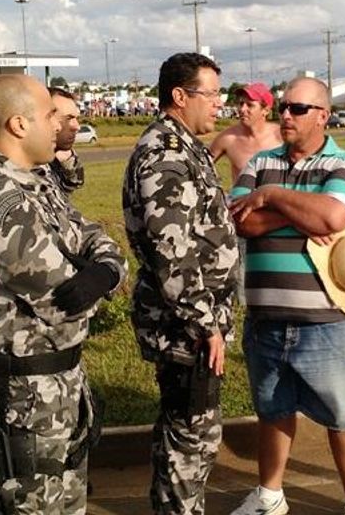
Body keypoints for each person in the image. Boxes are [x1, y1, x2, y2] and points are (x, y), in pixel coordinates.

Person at [0, 73, 127, 515]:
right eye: (49, 115)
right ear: (19, 125)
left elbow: (96, 238)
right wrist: (100, 275)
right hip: (23, 399)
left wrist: (105, 270)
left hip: (61, 387)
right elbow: (66, 301)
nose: (59, 124)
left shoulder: (38, 183)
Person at [228, 76, 345, 515]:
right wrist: (303, 211)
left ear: (323, 116)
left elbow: (333, 216)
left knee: (343, 417)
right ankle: (270, 496)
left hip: (326, 323)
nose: (285, 115)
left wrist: (271, 196)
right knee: (273, 411)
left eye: (297, 108)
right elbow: (239, 222)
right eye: (283, 107)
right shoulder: (259, 162)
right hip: (266, 320)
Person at [122, 52, 240, 515]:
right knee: (191, 440)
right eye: (211, 94)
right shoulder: (166, 155)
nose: (219, 104)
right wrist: (205, 325)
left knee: (187, 434)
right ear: (180, 95)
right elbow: (171, 253)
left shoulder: (185, 146)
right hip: (184, 327)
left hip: (191, 321)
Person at [209, 82, 282, 183]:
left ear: (265, 110)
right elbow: (200, 167)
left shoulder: (281, 135)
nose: (242, 109)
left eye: (250, 105)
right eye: (241, 104)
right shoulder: (228, 138)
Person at [48, 87, 85, 197]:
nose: (77, 127)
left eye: (76, 119)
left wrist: (66, 159)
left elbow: (75, 182)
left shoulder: (60, 154)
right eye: (68, 118)